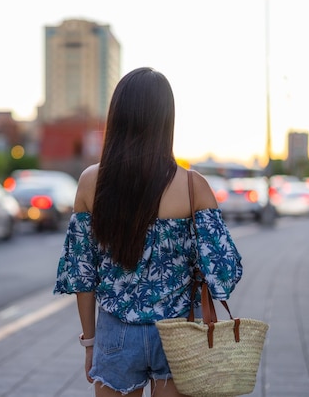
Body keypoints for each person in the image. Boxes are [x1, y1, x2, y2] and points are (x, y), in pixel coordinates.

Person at [53, 67, 243, 397]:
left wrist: (89, 343)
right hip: (178, 333)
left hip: (116, 333)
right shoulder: (192, 186)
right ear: (166, 121)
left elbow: (82, 275)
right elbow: (223, 273)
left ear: (118, 117)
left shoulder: (90, 183)